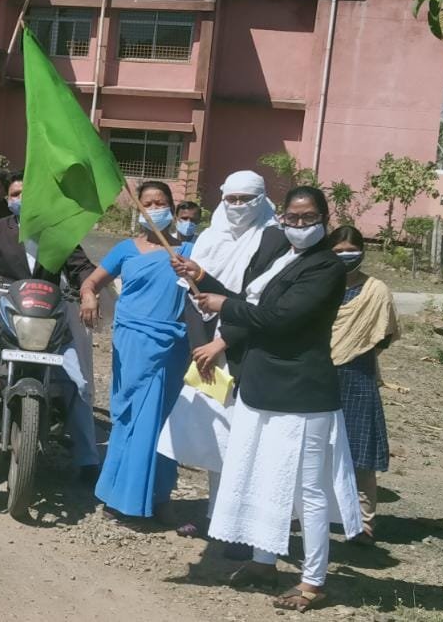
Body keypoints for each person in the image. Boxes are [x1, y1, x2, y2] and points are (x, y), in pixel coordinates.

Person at [174, 186, 362, 613]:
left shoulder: (327, 267)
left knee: (307, 490)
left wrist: (224, 304)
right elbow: (250, 303)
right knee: (260, 477)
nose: (298, 225)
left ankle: (313, 581)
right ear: (282, 217)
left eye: (308, 217)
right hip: (261, 388)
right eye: (291, 218)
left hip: (302, 395)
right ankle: (262, 561)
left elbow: (280, 320)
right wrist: (202, 277)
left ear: (324, 217)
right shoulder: (286, 260)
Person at [157, 171, 275, 541]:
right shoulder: (209, 236)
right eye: (232, 198)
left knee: (248, 442)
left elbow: (259, 305)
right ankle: (216, 516)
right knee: (217, 440)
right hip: (209, 352)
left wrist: (222, 344)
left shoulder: (272, 239)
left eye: (246, 199)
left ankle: (248, 526)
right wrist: (202, 350)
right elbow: (193, 298)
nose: (238, 206)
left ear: (262, 199)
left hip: (250, 349)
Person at [0, 174, 100, 480]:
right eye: (14, 194)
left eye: (27, 193)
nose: (19, 199)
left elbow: (82, 268)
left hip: (49, 321)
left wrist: (89, 289)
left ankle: (88, 458)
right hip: (6, 313)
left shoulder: (59, 232)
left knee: (78, 381)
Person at [78, 181, 193, 522]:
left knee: (166, 420)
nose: (155, 207)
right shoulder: (126, 249)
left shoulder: (189, 251)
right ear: (139, 209)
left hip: (173, 345)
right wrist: (89, 296)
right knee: (128, 416)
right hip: (132, 343)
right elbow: (91, 281)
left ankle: (161, 498)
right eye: (148, 202)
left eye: (161, 202)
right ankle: (117, 497)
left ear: (172, 208)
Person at [328, 226, 398, 546]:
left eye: (351, 251)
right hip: (317, 374)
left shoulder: (375, 290)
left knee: (360, 451)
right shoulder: (320, 287)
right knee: (316, 448)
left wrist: (349, 349)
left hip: (358, 375)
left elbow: (382, 335)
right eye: (338, 251)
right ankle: (313, 512)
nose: (345, 257)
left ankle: (363, 521)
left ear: (363, 252)